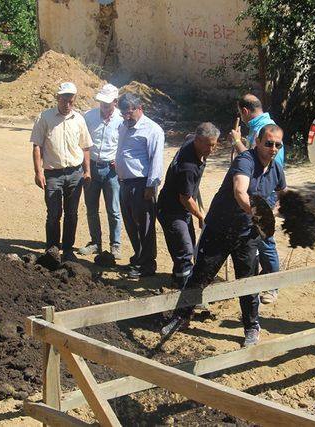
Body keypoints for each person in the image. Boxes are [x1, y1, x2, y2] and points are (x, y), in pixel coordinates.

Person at [161, 124, 287, 347]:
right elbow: (240, 191)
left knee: (247, 282)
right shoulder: (245, 161)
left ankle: (251, 326)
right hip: (219, 229)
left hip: (247, 236)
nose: (273, 148)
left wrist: (274, 210)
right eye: (268, 143)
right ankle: (181, 317)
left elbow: (281, 194)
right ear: (257, 142)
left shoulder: (276, 169)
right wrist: (261, 214)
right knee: (200, 276)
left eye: (278, 144)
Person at [229, 94, 284, 304]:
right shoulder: (258, 128)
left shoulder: (269, 131)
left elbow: (260, 162)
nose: (273, 147)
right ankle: (257, 281)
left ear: (244, 111)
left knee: (266, 242)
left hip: (264, 195)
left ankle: (272, 287)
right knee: (252, 241)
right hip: (251, 195)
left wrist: (236, 143)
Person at [31, 82, 93, 262]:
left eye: (71, 101)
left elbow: (86, 147)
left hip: (75, 173)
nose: (67, 104)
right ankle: (52, 248)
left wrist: (87, 171)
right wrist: (38, 172)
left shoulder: (79, 119)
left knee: (72, 213)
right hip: (53, 174)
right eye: (64, 100)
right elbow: (37, 146)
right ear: (58, 98)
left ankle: (68, 250)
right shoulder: (45, 118)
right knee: (53, 213)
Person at [157, 123, 219, 288]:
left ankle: (178, 278)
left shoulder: (191, 140)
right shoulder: (188, 167)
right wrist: (200, 216)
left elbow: (188, 135)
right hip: (171, 210)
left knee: (187, 244)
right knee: (185, 251)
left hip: (180, 209)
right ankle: (187, 292)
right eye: (208, 145)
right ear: (198, 141)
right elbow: (185, 198)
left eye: (214, 144)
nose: (212, 149)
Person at [115, 93, 164, 279]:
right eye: (123, 113)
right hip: (125, 183)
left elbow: (156, 160)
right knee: (130, 224)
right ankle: (138, 257)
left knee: (145, 225)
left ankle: (147, 265)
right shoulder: (123, 126)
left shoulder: (152, 129)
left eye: (129, 113)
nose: (127, 117)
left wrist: (151, 186)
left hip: (142, 184)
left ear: (139, 108)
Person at [79, 84, 124, 259]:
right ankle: (95, 242)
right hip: (91, 167)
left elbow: (126, 144)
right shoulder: (89, 117)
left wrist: (118, 160)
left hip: (111, 170)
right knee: (91, 207)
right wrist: (85, 167)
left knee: (113, 209)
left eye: (107, 103)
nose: (104, 106)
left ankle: (115, 245)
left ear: (115, 102)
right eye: (102, 103)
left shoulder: (122, 120)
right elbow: (82, 141)